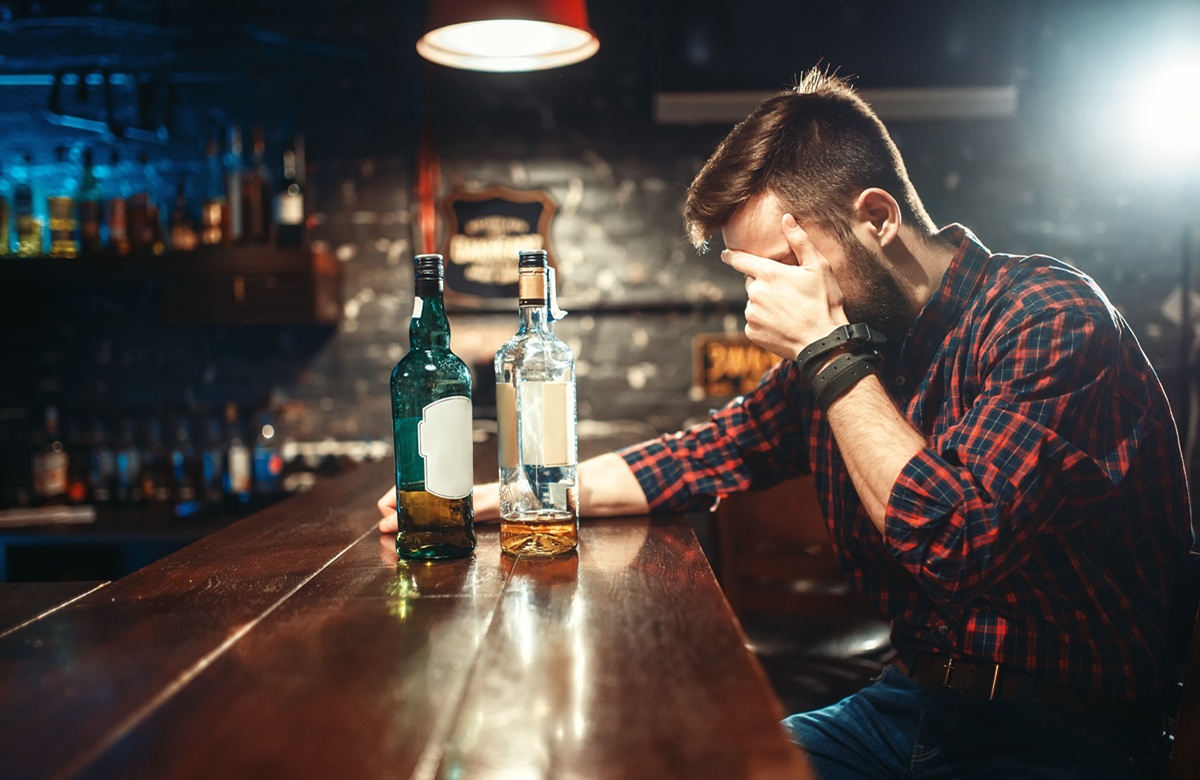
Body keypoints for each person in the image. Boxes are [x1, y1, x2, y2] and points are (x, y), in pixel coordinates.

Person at [379, 68, 1195, 778]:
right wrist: (508, 496)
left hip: (1068, 734)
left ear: (876, 218)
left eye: (786, 265)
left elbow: (952, 538)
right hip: (909, 703)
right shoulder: (855, 343)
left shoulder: (1047, 316)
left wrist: (826, 349)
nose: (764, 303)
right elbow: (693, 457)